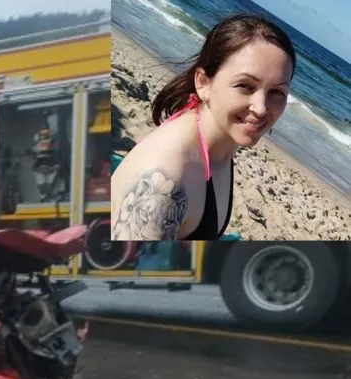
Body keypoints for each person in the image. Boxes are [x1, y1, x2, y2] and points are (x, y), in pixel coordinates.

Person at [110, 13, 294, 241]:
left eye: (277, 92)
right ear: (203, 83)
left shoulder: (221, 144)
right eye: (245, 86)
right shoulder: (167, 180)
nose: (261, 108)